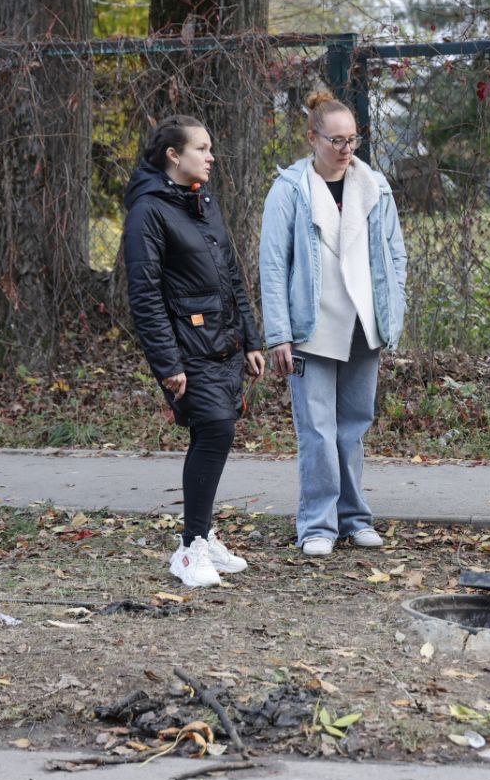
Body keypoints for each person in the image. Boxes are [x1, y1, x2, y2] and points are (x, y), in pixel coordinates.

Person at [260, 92, 407, 557]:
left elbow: (395, 254)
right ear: (312, 138)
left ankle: (354, 518)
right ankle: (317, 526)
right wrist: (278, 334)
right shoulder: (290, 189)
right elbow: (272, 264)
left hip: (365, 325)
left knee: (353, 426)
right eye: (336, 140)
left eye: (353, 139)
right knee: (317, 429)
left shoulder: (375, 187)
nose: (347, 149)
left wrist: (392, 308)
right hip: (312, 328)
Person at [123, 115, 265, 588]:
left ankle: (201, 538)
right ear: (173, 155)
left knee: (217, 432)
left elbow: (231, 275)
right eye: (201, 149)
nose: (210, 156)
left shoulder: (202, 200)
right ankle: (189, 549)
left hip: (222, 343)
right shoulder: (148, 210)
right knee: (215, 430)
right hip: (187, 348)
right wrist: (168, 363)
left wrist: (251, 338)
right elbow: (144, 294)